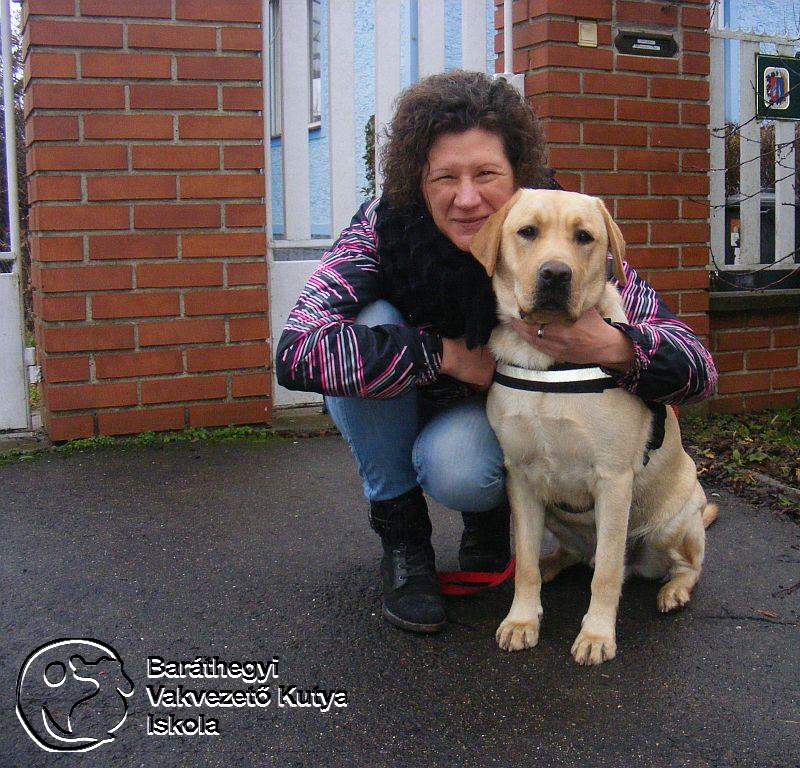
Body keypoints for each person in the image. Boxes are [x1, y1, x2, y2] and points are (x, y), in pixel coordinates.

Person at [275, 70, 717, 635]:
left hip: (479, 426)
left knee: (465, 467)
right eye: (444, 177)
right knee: (370, 322)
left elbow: (698, 372)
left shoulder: (567, 224)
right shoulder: (383, 230)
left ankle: (486, 523)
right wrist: (443, 354)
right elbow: (297, 353)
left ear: (519, 175)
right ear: (418, 178)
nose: (466, 198)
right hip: (401, 404)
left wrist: (619, 345)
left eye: (486, 174)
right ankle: (405, 541)